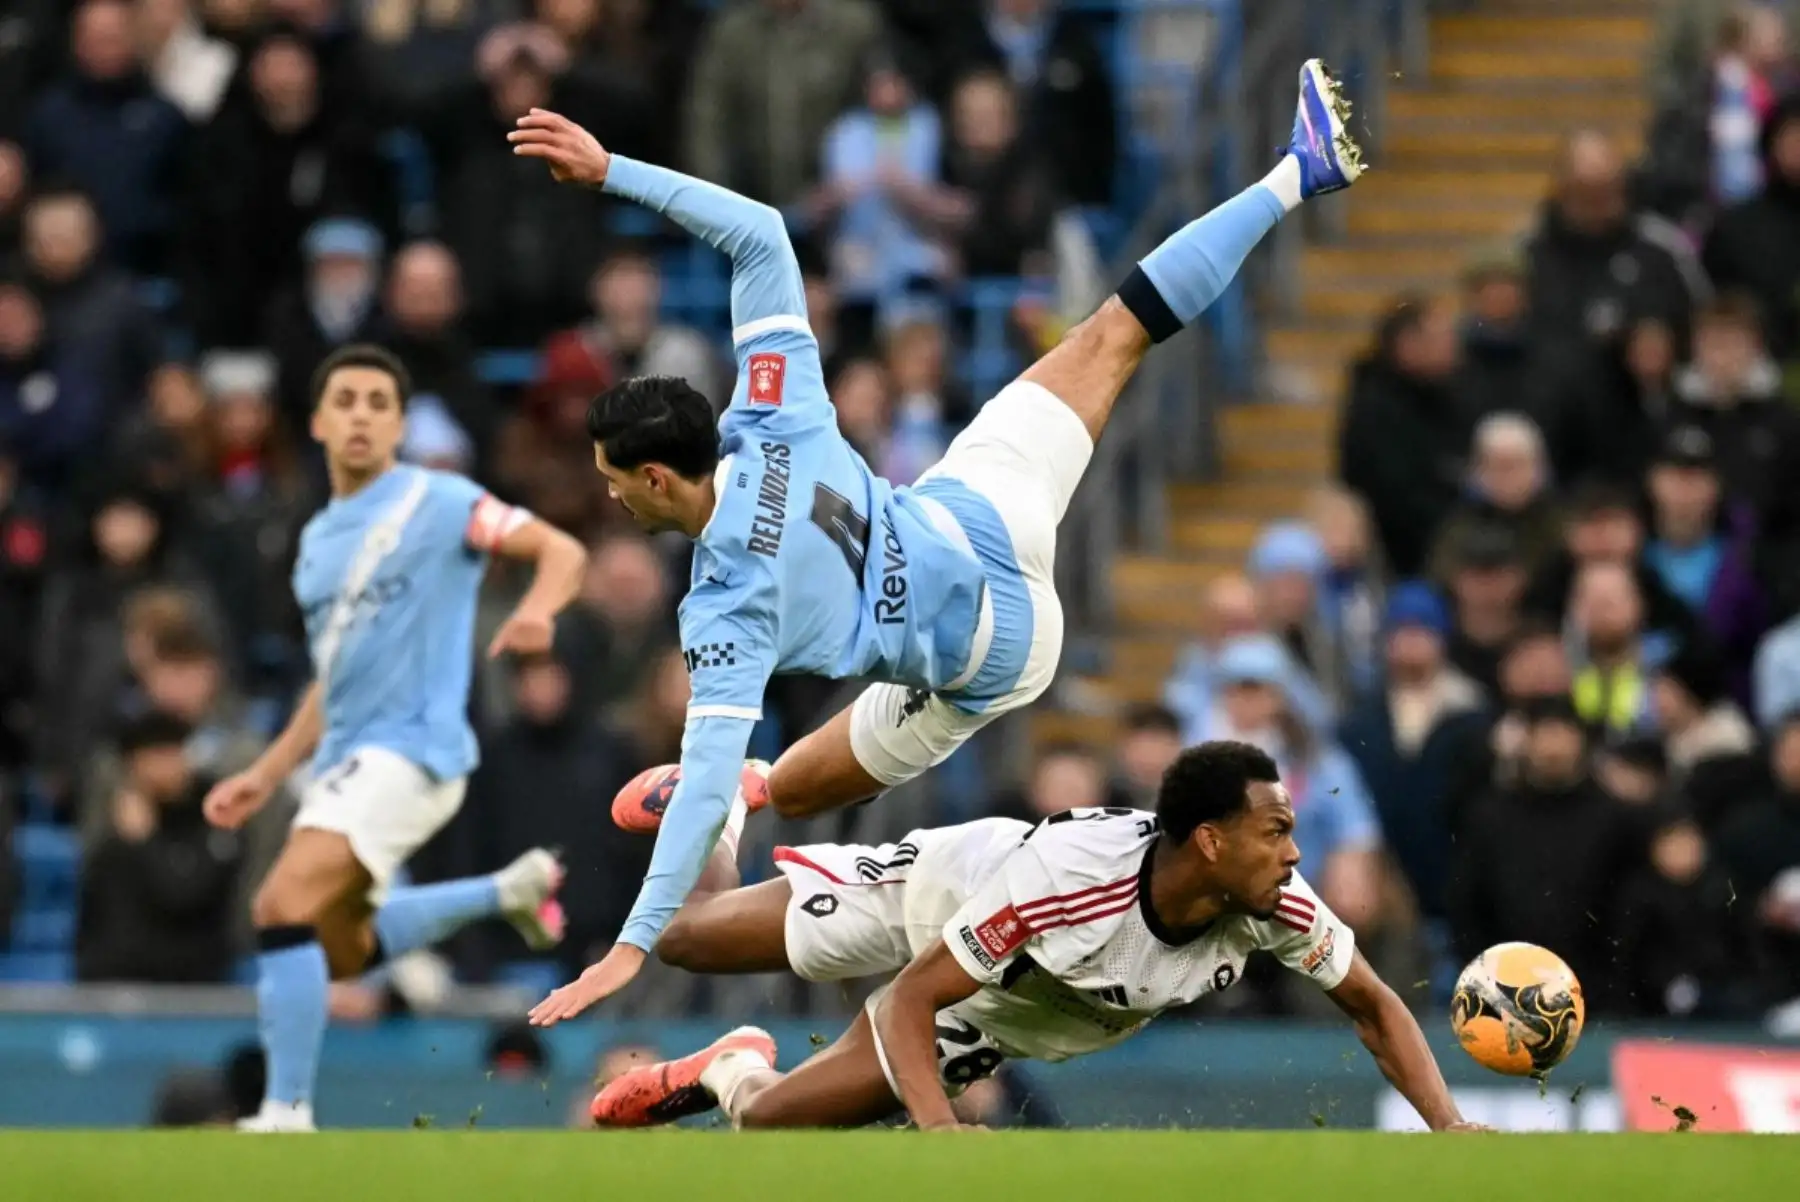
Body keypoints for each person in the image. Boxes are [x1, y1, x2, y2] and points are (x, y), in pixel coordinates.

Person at [513, 60, 1368, 1022]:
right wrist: (611, 170)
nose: (607, 491)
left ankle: (755, 796)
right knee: (1114, 331)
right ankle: (1295, 172)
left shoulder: (725, 608)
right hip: (983, 507)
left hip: (997, 652)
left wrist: (630, 948)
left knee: (786, 791)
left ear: (657, 478)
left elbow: (702, 773)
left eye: (612, 476)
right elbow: (761, 233)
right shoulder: (768, 410)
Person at [584, 742, 1484, 1133]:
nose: (1294, 853)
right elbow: (912, 992)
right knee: (684, 939)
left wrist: (1447, 1126)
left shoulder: (1277, 904)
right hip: (941, 898)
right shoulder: (1072, 884)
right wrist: (940, 1128)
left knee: (766, 1120)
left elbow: (1373, 1005)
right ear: (1210, 843)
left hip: (990, 1015)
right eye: (1275, 832)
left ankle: (728, 1063)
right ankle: (719, 804)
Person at [200, 344, 589, 1132]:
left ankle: (285, 1110)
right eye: (345, 400)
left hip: (413, 749)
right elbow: (331, 682)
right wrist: (267, 773)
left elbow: (562, 549)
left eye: (379, 403)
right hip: (350, 757)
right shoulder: (318, 545)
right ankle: (506, 892)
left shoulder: (437, 501)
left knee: (280, 902)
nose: (361, 416)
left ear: (400, 425)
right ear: (316, 422)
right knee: (337, 949)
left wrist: (537, 609)